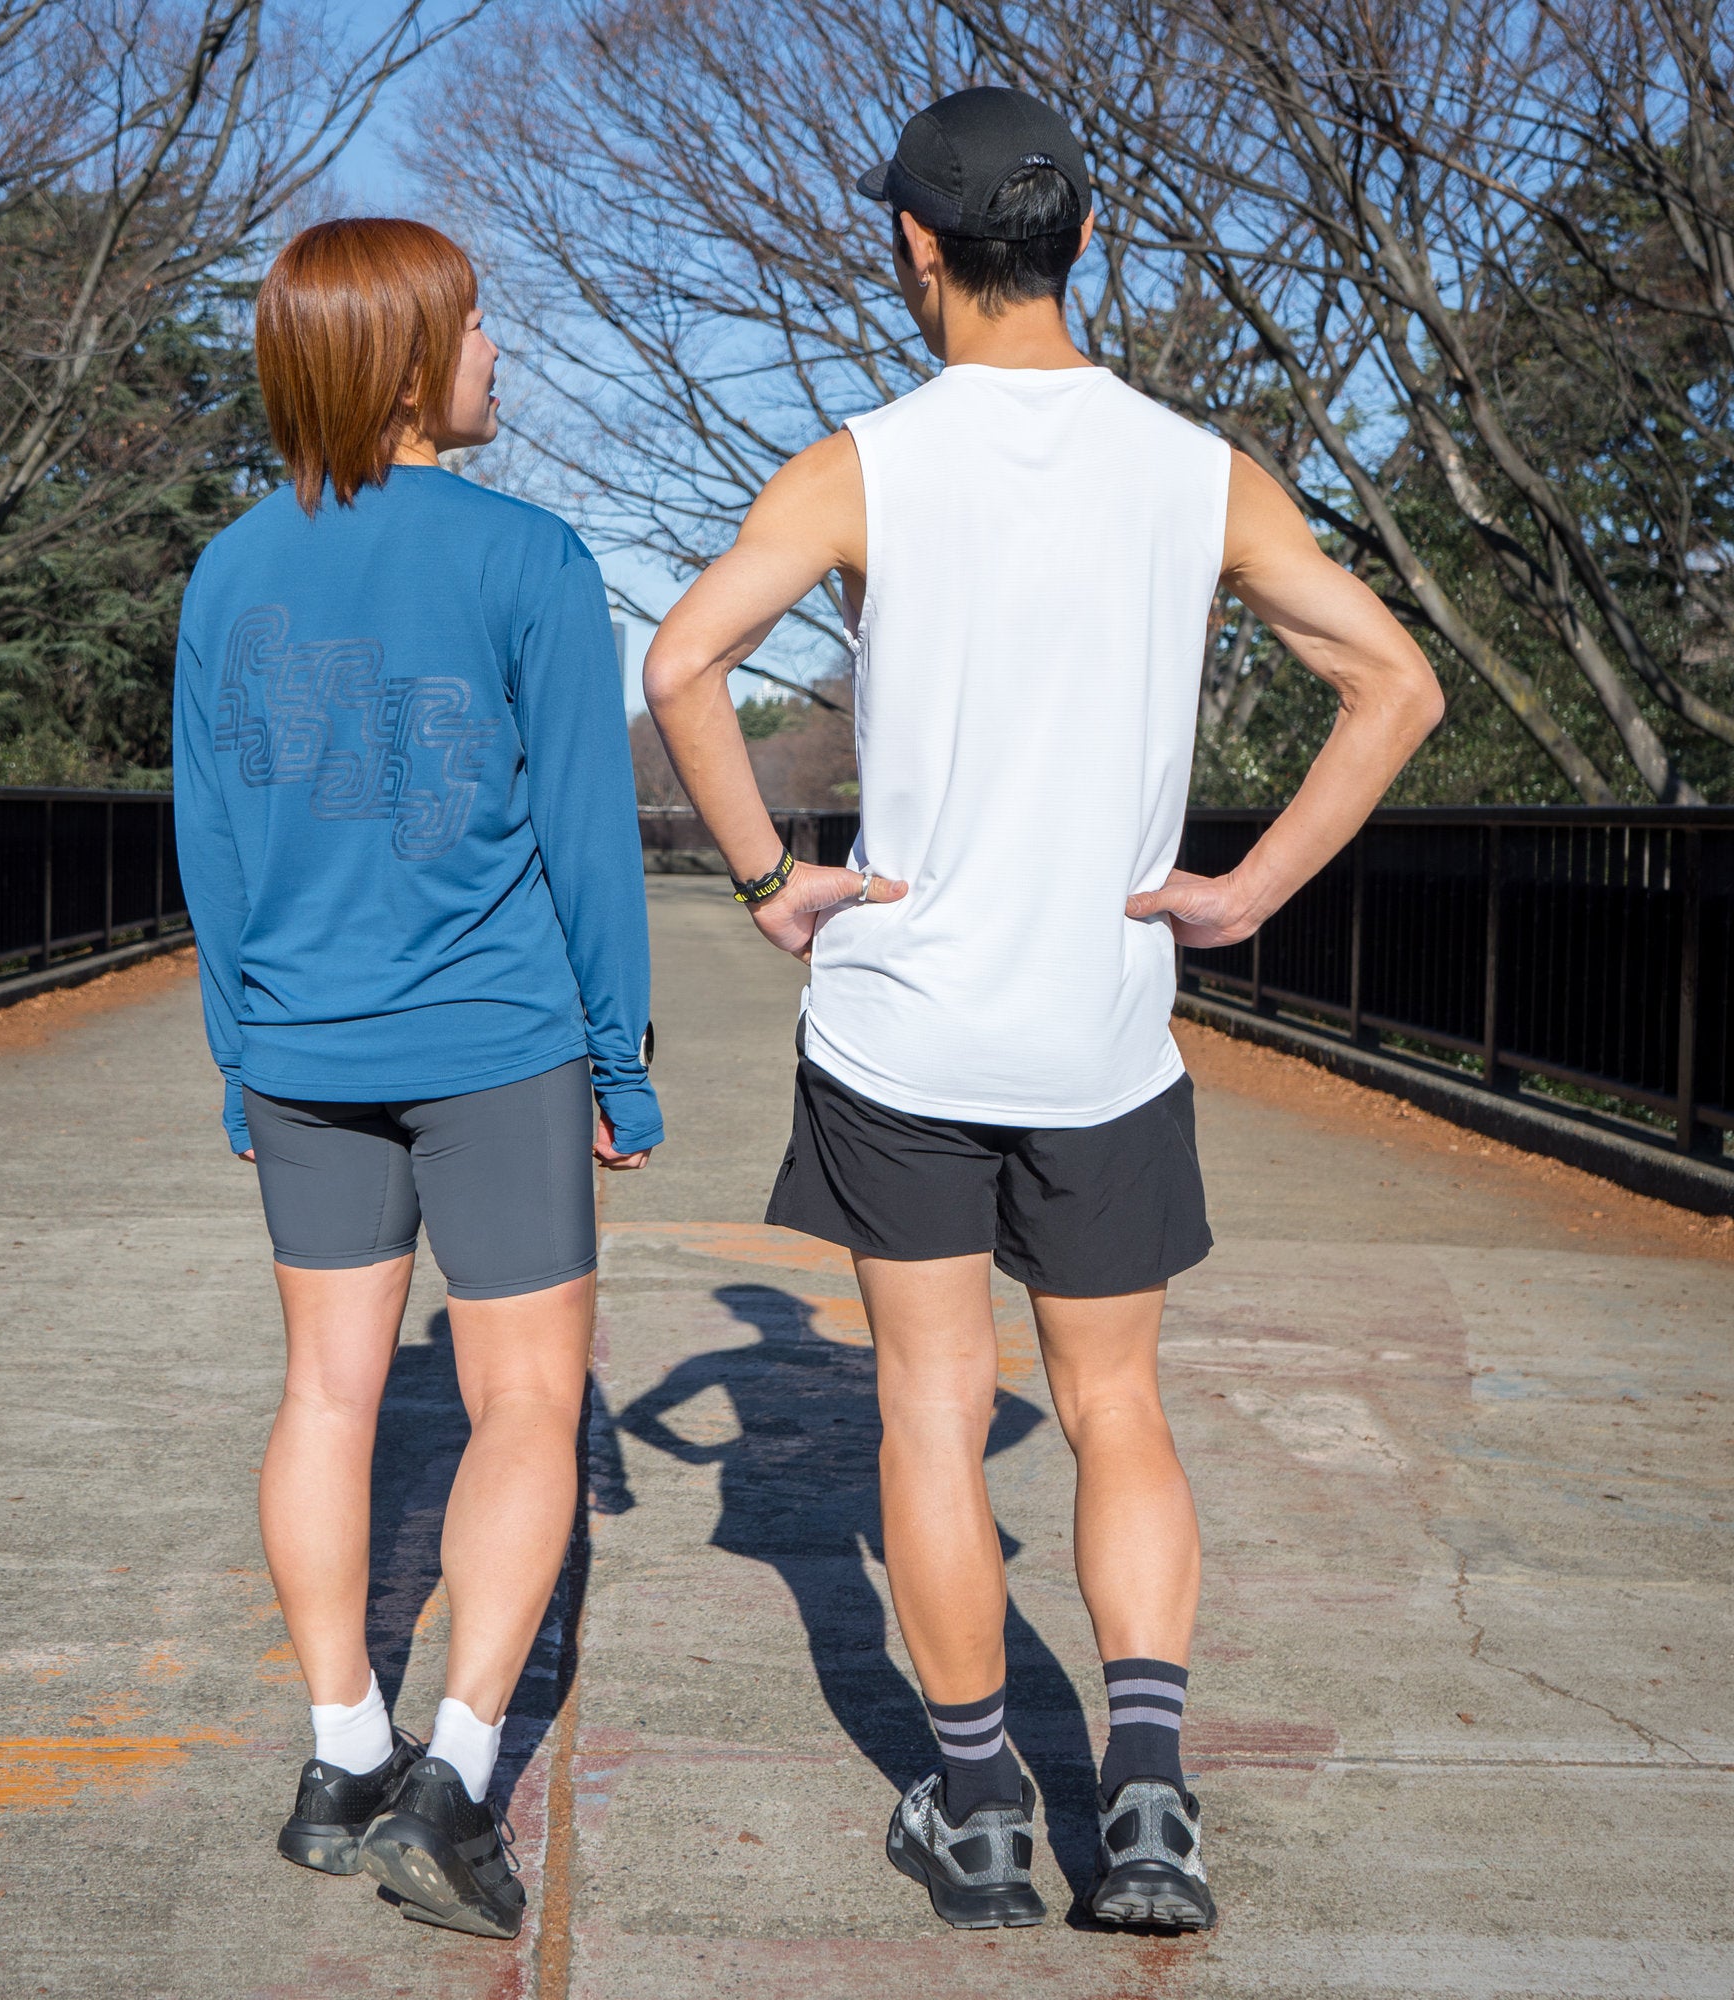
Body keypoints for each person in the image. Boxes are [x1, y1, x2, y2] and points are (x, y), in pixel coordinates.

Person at [644, 87, 1442, 1932]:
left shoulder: (862, 466)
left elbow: (685, 665)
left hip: (905, 1029)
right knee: (1113, 1405)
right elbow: (1394, 687)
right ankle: (1149, 1802)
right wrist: (1243, 895)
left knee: (929, 1412)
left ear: (916, 249)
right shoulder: (1200, 474)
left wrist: (776, 887)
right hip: (1101, 1033)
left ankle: (985, 1809)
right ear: (1085, 243)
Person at [174, 217, 661, 1940]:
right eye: (473, 332)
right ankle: (453, 1785)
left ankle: (337, 1759)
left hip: (304, 1042)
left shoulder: (228, 571)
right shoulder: (532, 558)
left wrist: (244, 1054)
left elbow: (211, 845)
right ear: (401, 361)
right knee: (526, 1401)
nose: (495, 360)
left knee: (327, 1396)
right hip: (494, 1041)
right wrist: (626, 1055)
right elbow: (592, 845)